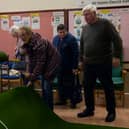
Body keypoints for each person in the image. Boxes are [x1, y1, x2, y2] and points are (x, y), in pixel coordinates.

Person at [77, 4, 122, 122]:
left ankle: (111, 112)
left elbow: (117, 39)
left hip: (103, 62)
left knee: (107, 87)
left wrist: (117, 56)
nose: (85, 17)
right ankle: (89, 109)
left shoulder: (105, 24)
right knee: (87, 87)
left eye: (87, 14)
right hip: (88, 64)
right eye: (84, 15)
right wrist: (81, 60)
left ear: (94, 13)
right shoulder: (85, 28)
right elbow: (82, 45)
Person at [19, 26, 60, 110]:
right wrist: (31, 78)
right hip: (45, 64)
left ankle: (49, 111)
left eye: (23, 35)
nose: (21, 38)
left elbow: (40, 62)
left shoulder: (39, 43)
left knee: (46, 87)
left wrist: (32, 77)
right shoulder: (27, 43)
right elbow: (31, 61)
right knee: (44, 86)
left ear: (29, 34)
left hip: (52, 64)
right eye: (20, 35)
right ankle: (44, 108)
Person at [53, 24, 79, 108]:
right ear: (57, 32)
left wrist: (75, 67)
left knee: (70, 84)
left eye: (63, 32)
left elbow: (76, 54)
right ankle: (62, 100)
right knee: (60, 84)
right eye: (60, 32)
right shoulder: (55, 39)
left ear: (66, 31)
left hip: (69, 66)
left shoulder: (71, 39)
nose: (62, 34)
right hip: (59, 66)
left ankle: (73, 101)